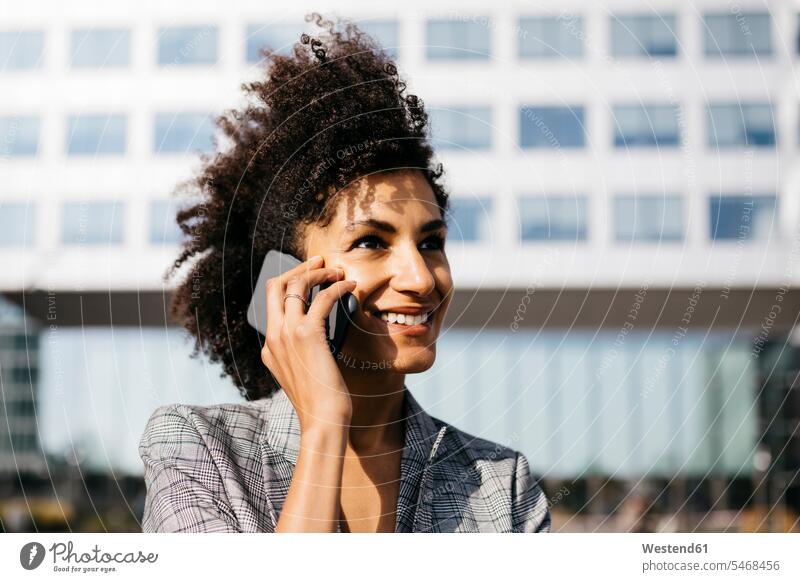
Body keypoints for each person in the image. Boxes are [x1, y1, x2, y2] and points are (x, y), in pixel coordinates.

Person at [138, 12, 550, 533]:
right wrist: (325, 424)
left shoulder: (502, 486)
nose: (422, 279)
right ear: (284, 278)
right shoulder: (198, 450)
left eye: (432, 243)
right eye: (371, 242)